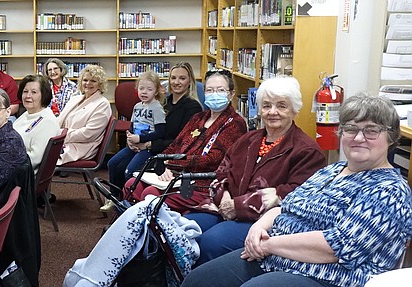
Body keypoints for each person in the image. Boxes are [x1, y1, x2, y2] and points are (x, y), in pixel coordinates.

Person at [182, 93, 412, 287]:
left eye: (371, 131)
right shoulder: (332, 170)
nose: (359, 137)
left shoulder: (389, 190)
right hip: (275, 256)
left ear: (390, 137)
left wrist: (269, 244)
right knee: (198, 280)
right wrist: (258, 228)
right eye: (351, 129)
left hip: (327, 275)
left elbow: (336, 247)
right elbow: (285, 206)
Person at [185, 77, 327, 266]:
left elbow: (294, 196)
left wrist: (238, 206)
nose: (272, 112)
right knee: (185, 227)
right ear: (259, 109)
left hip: (264, 223)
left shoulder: (307, 151)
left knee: (211, 242)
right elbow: (221, 173)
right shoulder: (248, 139)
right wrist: (224, 198)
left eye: (282, 106)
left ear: (294, 109)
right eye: (266, 106)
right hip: (222, 209)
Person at [128, 70, 247, 214]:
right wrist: (165, 164)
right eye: (209, 90)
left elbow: (213, 160)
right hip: (177, 175)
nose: (214, 94)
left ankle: (148, 232)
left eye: (220, 90)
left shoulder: (235, 124)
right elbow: (175, 145)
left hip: (203, 183)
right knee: (131, 185)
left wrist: (172, 165)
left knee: (151, 195)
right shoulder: (198, 118)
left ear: (231, 94)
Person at [104, 70, 166, 211]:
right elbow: (132, 126)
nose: (144, 92)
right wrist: (130, 138)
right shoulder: (137, 106)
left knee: (129, 170)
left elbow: (160, 133)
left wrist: (140, 139)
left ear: (156, 91)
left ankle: (128, 202)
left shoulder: (157, 108)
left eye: (149, 89)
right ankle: (114, 197)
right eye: (141, 88)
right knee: (112, 163)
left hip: (147, 147)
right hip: (134, 145)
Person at [57, 64, 112, 165]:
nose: (88, 83)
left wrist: (61, 135)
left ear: (100, 84)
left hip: (82, 146)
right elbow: (60, 121)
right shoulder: (75, 98)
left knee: (41, 158)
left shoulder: (103, 104)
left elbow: (88, 134)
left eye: (93, 81)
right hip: (63, 140)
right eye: (85, 80)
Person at [13, 74, 61, 173]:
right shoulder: (28, 114)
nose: (28, 96)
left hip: (22, 175)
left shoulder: (47, 122)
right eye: (25, 91)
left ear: (44, 95)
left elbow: (35, 159)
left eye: (34, 92)